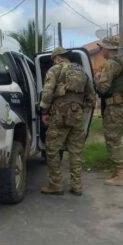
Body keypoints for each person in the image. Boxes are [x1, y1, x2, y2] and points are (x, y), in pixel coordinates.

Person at [39, 47, 97, 196]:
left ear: (57, 58)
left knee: (52, 149)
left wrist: (44, 111)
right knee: (75, 151)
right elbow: (91, 96)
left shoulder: (55, 69)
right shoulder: (82, 71)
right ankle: (77, 186)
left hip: (60, 114)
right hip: (77, 115)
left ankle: (55, 185)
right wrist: (81, 110)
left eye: (54, 60)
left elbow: (47, 92)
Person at [95, 38, 123, 186]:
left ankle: (121, 175)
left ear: (108, 49)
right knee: (117, 138)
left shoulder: (111, 64)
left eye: (101, 49)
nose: (101, 52)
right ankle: (119, 170)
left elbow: (102, 88)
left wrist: (96, 79)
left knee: (112, 140)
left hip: (115, 106)